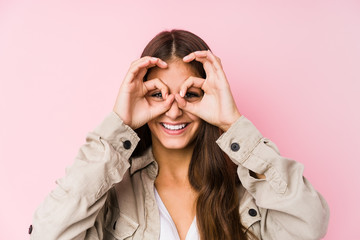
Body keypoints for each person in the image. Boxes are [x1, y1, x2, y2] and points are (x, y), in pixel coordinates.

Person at [29, 29, 329, 240]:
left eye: (191, 94)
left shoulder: (246, 187)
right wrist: (118, 124)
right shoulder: (114, 190)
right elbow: (48, 234)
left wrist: (233, 122)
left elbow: (311, 224)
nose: (173, 111)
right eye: (158, 94)